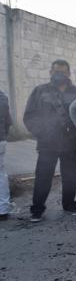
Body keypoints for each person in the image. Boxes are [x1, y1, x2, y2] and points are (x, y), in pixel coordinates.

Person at [23, 60, 76, 222]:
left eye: (63, 72)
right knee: (43, 176)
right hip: (47, 143)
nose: (59, 75)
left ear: (69, 74)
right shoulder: (40, 91)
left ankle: (70, 205)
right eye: (56, 71)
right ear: (50, 72)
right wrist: (41, 132)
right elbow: (29, 115)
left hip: (71, 143)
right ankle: (37, 210)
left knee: (70, 177)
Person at [0, 90, 11, 220]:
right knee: (1, 174)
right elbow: (8, 122)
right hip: (0, 139)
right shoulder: (2, 97)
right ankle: (3, 209)